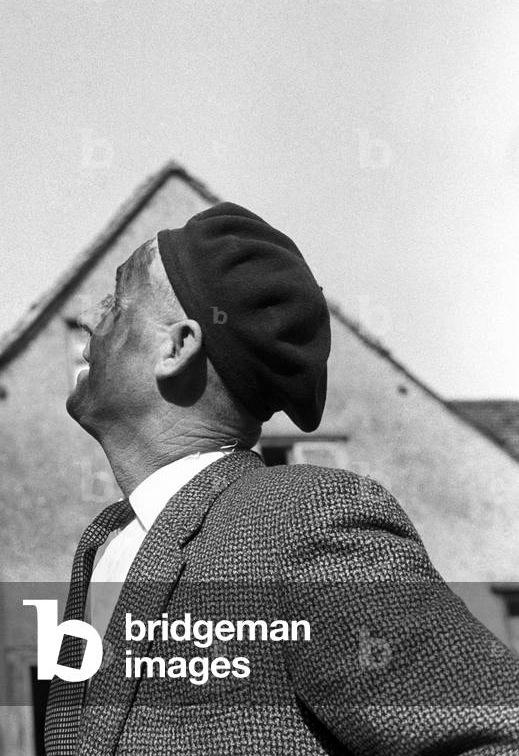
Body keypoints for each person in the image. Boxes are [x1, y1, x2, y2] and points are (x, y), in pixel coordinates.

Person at [44, 202, 519, 756]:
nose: (91, 320)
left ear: (176, 348)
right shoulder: (102, 544)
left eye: (117, 303)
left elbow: (493, 736)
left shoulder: (310, 520)